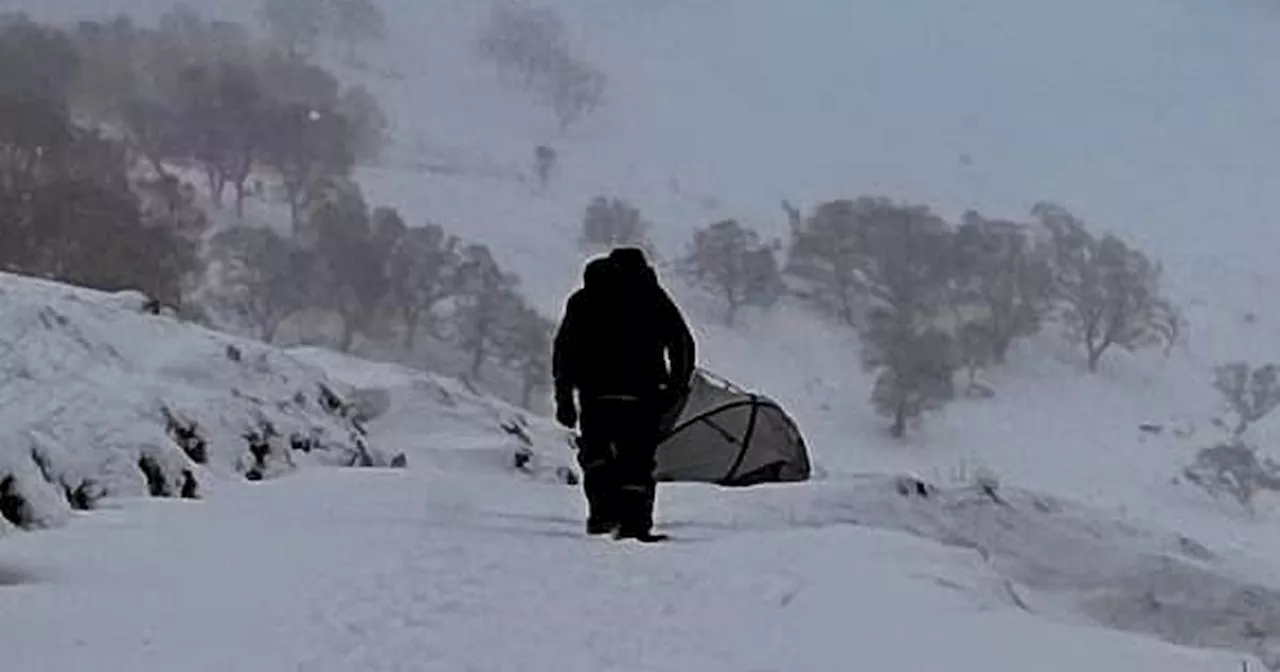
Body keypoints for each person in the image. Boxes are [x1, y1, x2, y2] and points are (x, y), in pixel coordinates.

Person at [552, 248, 696, 540]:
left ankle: (602, 515)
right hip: (643, 394)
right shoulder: (653, 298)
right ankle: (635, 524)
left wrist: (564, 398)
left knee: (596, 456)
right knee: (638, 460)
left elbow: (563, 353)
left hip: (595, 394)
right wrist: (676, 387)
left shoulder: (583, 300)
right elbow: (682, 343)